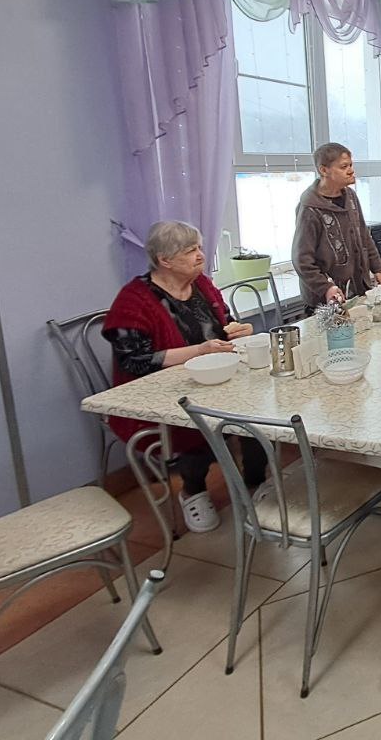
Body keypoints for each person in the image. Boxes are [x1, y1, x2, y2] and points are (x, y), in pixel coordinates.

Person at [102, 221, 266, 533]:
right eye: (190, 251)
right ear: (164, 260)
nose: (200, 255)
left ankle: (256, 481)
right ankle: (193, 491)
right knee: (197, 417)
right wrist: (198, 351)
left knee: (259, 405)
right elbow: (134, 361)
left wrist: (238, 330)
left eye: (199, 248)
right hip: (159, 393)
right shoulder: (134, 299)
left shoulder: (201, 284)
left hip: (215, 377)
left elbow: (224, 324)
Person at [292, 142, 381, 313]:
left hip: (357, 291)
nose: (351, 171)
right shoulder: (309, 209)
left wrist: (376, 268)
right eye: (344, 167)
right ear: (324, 170)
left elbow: (363, 235)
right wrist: (326, 287)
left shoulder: (350, 196)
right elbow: (302, 260)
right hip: (326, 301)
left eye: (350, 165)